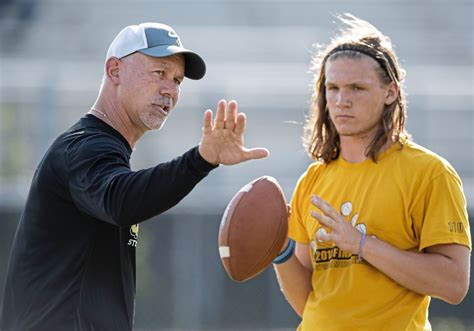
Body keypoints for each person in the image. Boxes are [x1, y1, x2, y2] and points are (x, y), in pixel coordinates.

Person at [1, 22, 269, 330]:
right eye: (159, 73)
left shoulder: (100, 148)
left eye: (178, 80)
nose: (171, 90)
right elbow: (122, 201)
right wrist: (200, 160)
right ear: (115, 70)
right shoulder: (86, 146)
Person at [272, 14, 471, 331]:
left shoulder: (430, 173)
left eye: (356, 88)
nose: (341, 101)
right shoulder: (312, 180)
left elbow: (454, 284)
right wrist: (279, 251)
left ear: (390, 92)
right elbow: (309, 302)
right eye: (332, 87)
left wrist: (362, 245)